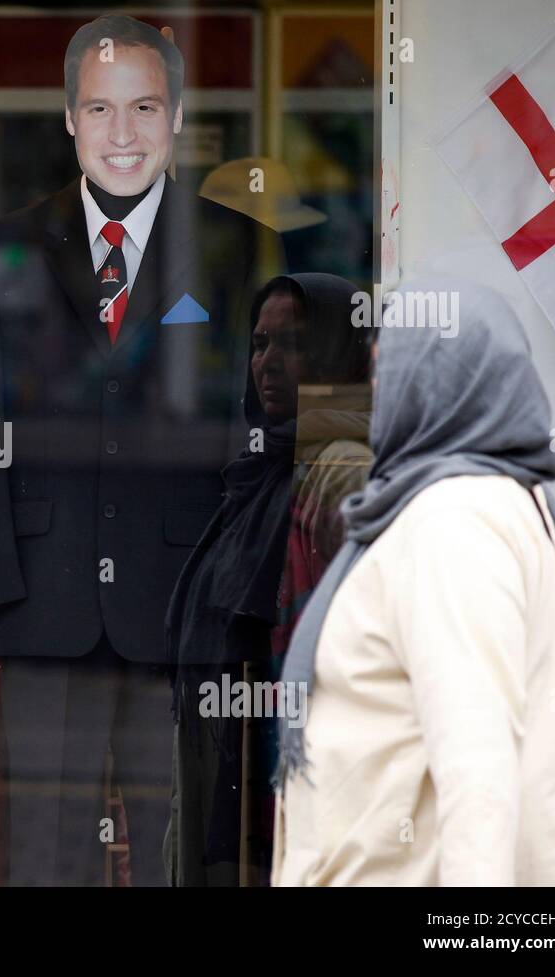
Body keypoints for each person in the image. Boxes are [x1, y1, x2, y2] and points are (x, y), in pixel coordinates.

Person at [0, 14, 279, 884]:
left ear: (175, 114)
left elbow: (257, 435)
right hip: (41, 607)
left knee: (185, 849)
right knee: (47, 857)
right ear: (68, 118)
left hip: (182, 612)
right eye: (100, 110)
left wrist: (237, 597)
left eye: (143, 108)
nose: (122, 135)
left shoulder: (234, 248)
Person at [273, 276, 555, 885]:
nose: (376, 392)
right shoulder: (489, 500)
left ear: (440, 382)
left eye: (389, 370)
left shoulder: (455, 520)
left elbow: (478, 772)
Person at [165, 274, 370, 886]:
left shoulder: (344, 472)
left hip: (293, 793)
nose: (269, 363)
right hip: (234, 778)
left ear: (337, 349)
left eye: (294, 343)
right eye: (259, 344)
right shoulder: (257, 475)